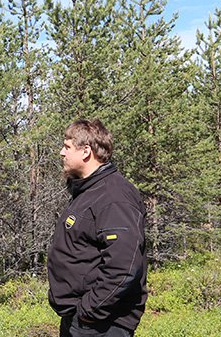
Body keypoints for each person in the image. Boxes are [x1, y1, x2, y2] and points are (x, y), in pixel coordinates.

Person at [47, 119, 147, 337]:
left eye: (67, 147)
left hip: (102, 324)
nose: (61, 152)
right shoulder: (88, 191)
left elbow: (124, 266)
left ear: (85, 152)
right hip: (82, 321)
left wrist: (88, 311)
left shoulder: (114, 197)